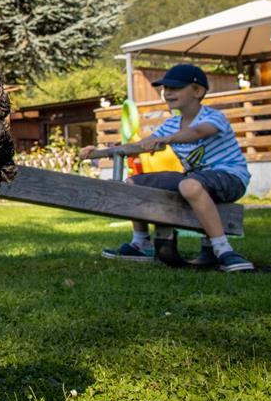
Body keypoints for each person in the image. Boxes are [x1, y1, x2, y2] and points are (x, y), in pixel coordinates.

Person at [81, 64, 254, 272]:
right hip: (194, 178)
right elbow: (138, 146)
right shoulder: (171, 125)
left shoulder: (213, 117)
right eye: (166, 89)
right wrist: (97, 152)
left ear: (198, 91)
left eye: (176, 88)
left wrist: (168, 139)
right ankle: (141, 243)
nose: (168, 93)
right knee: (134, 183)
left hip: (230, 177)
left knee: (189, 185)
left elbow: (199, 132)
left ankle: (223, 250)